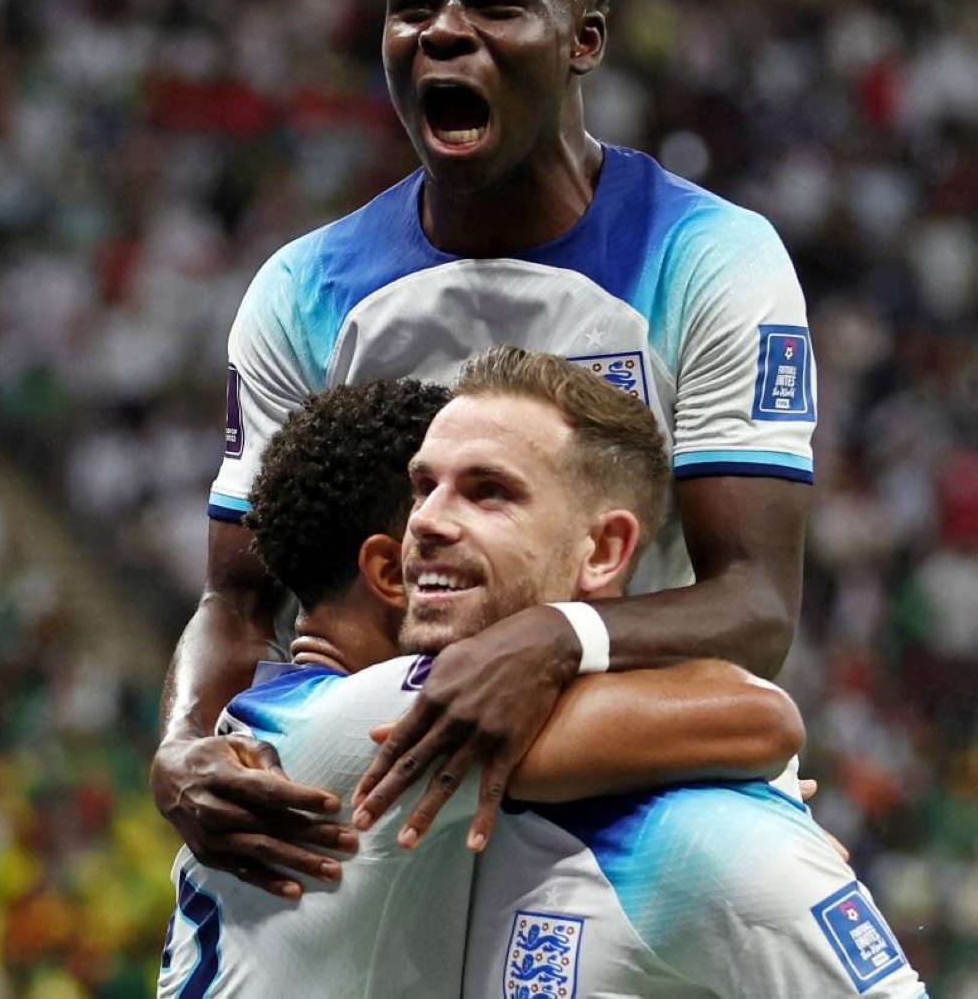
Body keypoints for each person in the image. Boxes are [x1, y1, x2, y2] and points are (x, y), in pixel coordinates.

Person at [152, 0, 818, 892]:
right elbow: (236, 601)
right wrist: (181, 747)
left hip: (631, 799)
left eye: (495, 1)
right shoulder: (304, 289)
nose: (442, 32)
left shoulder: (709, 256)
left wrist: (556, 635)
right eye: (411, 5)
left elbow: (756, 604)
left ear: (582, 38)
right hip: (394, 790)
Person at [162, 350, 925, 997]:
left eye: (488, 490)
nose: (429, 521)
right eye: (423, 488)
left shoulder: (704, 842)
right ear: (385, 567)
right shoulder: (341, 735)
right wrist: (774, 777)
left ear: (604, 550)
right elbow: (757, 716)